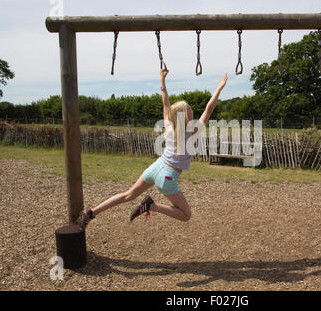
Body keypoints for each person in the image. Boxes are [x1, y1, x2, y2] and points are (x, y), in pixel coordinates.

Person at [76, 69, 228, 229]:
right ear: (185, 114)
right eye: (188, 107)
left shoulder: (169, 126)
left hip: (156, 167)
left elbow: (165, 103)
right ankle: (152, 206)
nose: (191, 109)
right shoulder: (191, 132)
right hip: (168, 176)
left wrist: (162, 81)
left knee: (128, 195)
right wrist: (219, 88)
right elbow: (208, 110)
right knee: (186, 215)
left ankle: (91, 212)